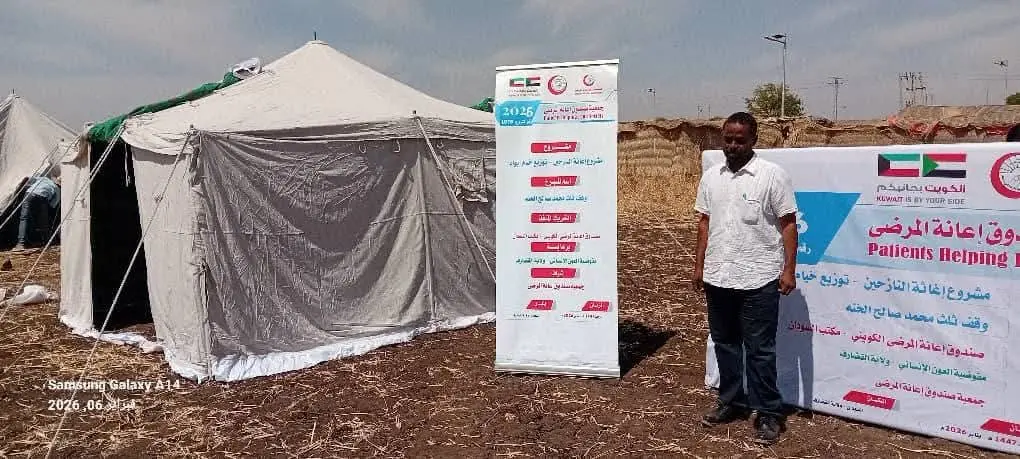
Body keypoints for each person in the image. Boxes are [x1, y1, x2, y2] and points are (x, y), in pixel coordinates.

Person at [692, 111, 799, 445]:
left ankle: (768, 413)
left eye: (740, 140)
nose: (733, 146)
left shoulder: (771, 175)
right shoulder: (711, 177)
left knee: (760, 351)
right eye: (728, 139)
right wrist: (699, 266)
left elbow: (788, 224)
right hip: (718, 276)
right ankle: (731, 401)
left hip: (758, 279)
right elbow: (704, 223)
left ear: (753, 140)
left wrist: (789, 269)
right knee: (724, 344)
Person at [13, 174, 60, 251]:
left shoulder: (43, 178)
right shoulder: (57, 189)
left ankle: (20, 244)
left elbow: (27, 179)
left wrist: (19, 190)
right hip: (42, 198)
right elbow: (53, 205)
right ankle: (46, 242)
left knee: (24, 218)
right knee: (43, 222)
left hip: (29, 194)